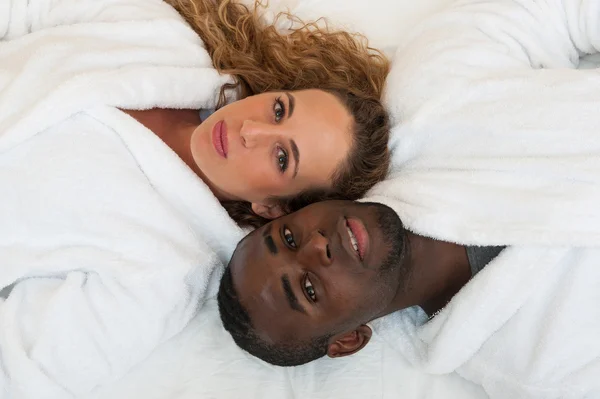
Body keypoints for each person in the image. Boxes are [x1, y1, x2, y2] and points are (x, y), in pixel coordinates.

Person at [0, 0, 390, 397]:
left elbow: (23, 369)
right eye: (278, 109)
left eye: (281, 157)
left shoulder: (161, 273)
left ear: (273, 207)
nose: (250, 130)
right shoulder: (161, 37)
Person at [219, 199, 600, 397]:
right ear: (350, 339)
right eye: (309, 290)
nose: (316, 244)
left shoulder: (422, 126)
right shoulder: (539, 368)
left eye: (288, 238)